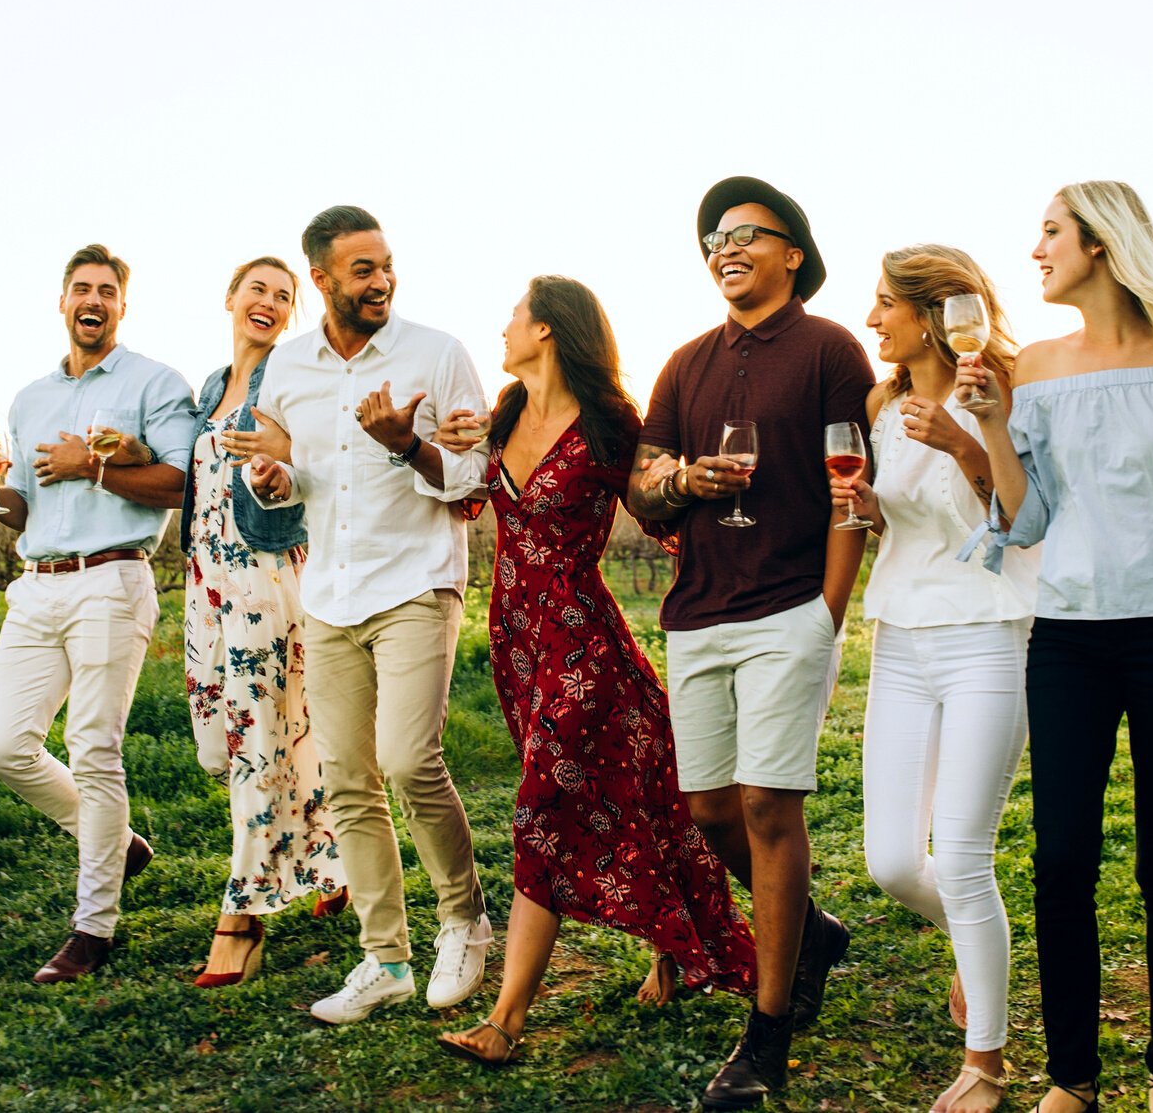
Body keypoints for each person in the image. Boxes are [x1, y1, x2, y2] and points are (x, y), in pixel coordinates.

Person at [431, 276, 758, 1067]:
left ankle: (507, 1018)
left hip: (581, 646)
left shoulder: (613, 422)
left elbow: (655, 511)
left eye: (514, 316)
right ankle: (671, 946)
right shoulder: (507, 412)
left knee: (542, 808)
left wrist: (699, 491)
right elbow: (469, 499)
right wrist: (430, 445)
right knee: (636, 798)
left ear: (547, 331)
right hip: (515, 642)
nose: (503, 327)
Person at [960, 183, 1153, 1113]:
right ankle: (1072, 1075)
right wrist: (995, 423)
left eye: (1050, 232)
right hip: (1069, 639)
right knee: (1061, 857)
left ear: (1104, 245)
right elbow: (1027, 518)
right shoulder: (1032, 364)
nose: (1035, 249)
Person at [625, 177, 875, 1112]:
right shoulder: (685, 364)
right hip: (698, 611)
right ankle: (808, 927)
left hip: (786, 606)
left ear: (792, 253)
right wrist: (685, 478)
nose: (724, 248)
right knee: (709, 808)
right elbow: (644, 488)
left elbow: (852, 481)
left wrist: (828, 609)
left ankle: (766, 1038)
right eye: (712, 239)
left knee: (769, 802)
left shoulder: (829, 349)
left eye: (745, 234)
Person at [236, 205, 492, 1025]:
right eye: (361, 270)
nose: (380, 281)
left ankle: (466, 919)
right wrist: (270, 481)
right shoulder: (288, 368)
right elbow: (276, 465)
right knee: (348, 778)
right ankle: (383, 956)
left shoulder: (437, 354)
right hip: (330, 594)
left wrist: (405, 443)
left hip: (416, 583)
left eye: (386, 265)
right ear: (321, 278)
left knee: (409, 759)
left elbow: (472, 481)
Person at [829, 246, 1037, 1113]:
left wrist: (964, 441)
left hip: (990, 632)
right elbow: (915, 529)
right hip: (904, 634)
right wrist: (873, 513)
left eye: (884, 304)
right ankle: (980, 936)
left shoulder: (997, 393)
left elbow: (1020, 520)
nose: (872, 320)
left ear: (931, 314)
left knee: (961, 852)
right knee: (888, 861)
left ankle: (984, 1059)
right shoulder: (882, 405)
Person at [0, 243, 193, 983]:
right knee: (4, 748)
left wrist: (95, 465)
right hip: (37, 583)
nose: (93, 301)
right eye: (81, 290)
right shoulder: (30, 398)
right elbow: (26, 507)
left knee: (94, 747)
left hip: (112, 579)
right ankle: (116, 840)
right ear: (62, 302)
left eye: (107, 291)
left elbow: (180, 482)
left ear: (122, 305)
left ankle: (94, 926)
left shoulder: (156, 383)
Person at [180, 255, 347, 987]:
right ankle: (330, 853)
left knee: (256, 741)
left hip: (265, 573)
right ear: (230, 298)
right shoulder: (212, 389)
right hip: (204, 579)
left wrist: (286, 475)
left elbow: (319, 463)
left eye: (285, 296)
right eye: (259, 289)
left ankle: (241, 916)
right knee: (230, 740)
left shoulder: (296, 382)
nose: (271, 303)